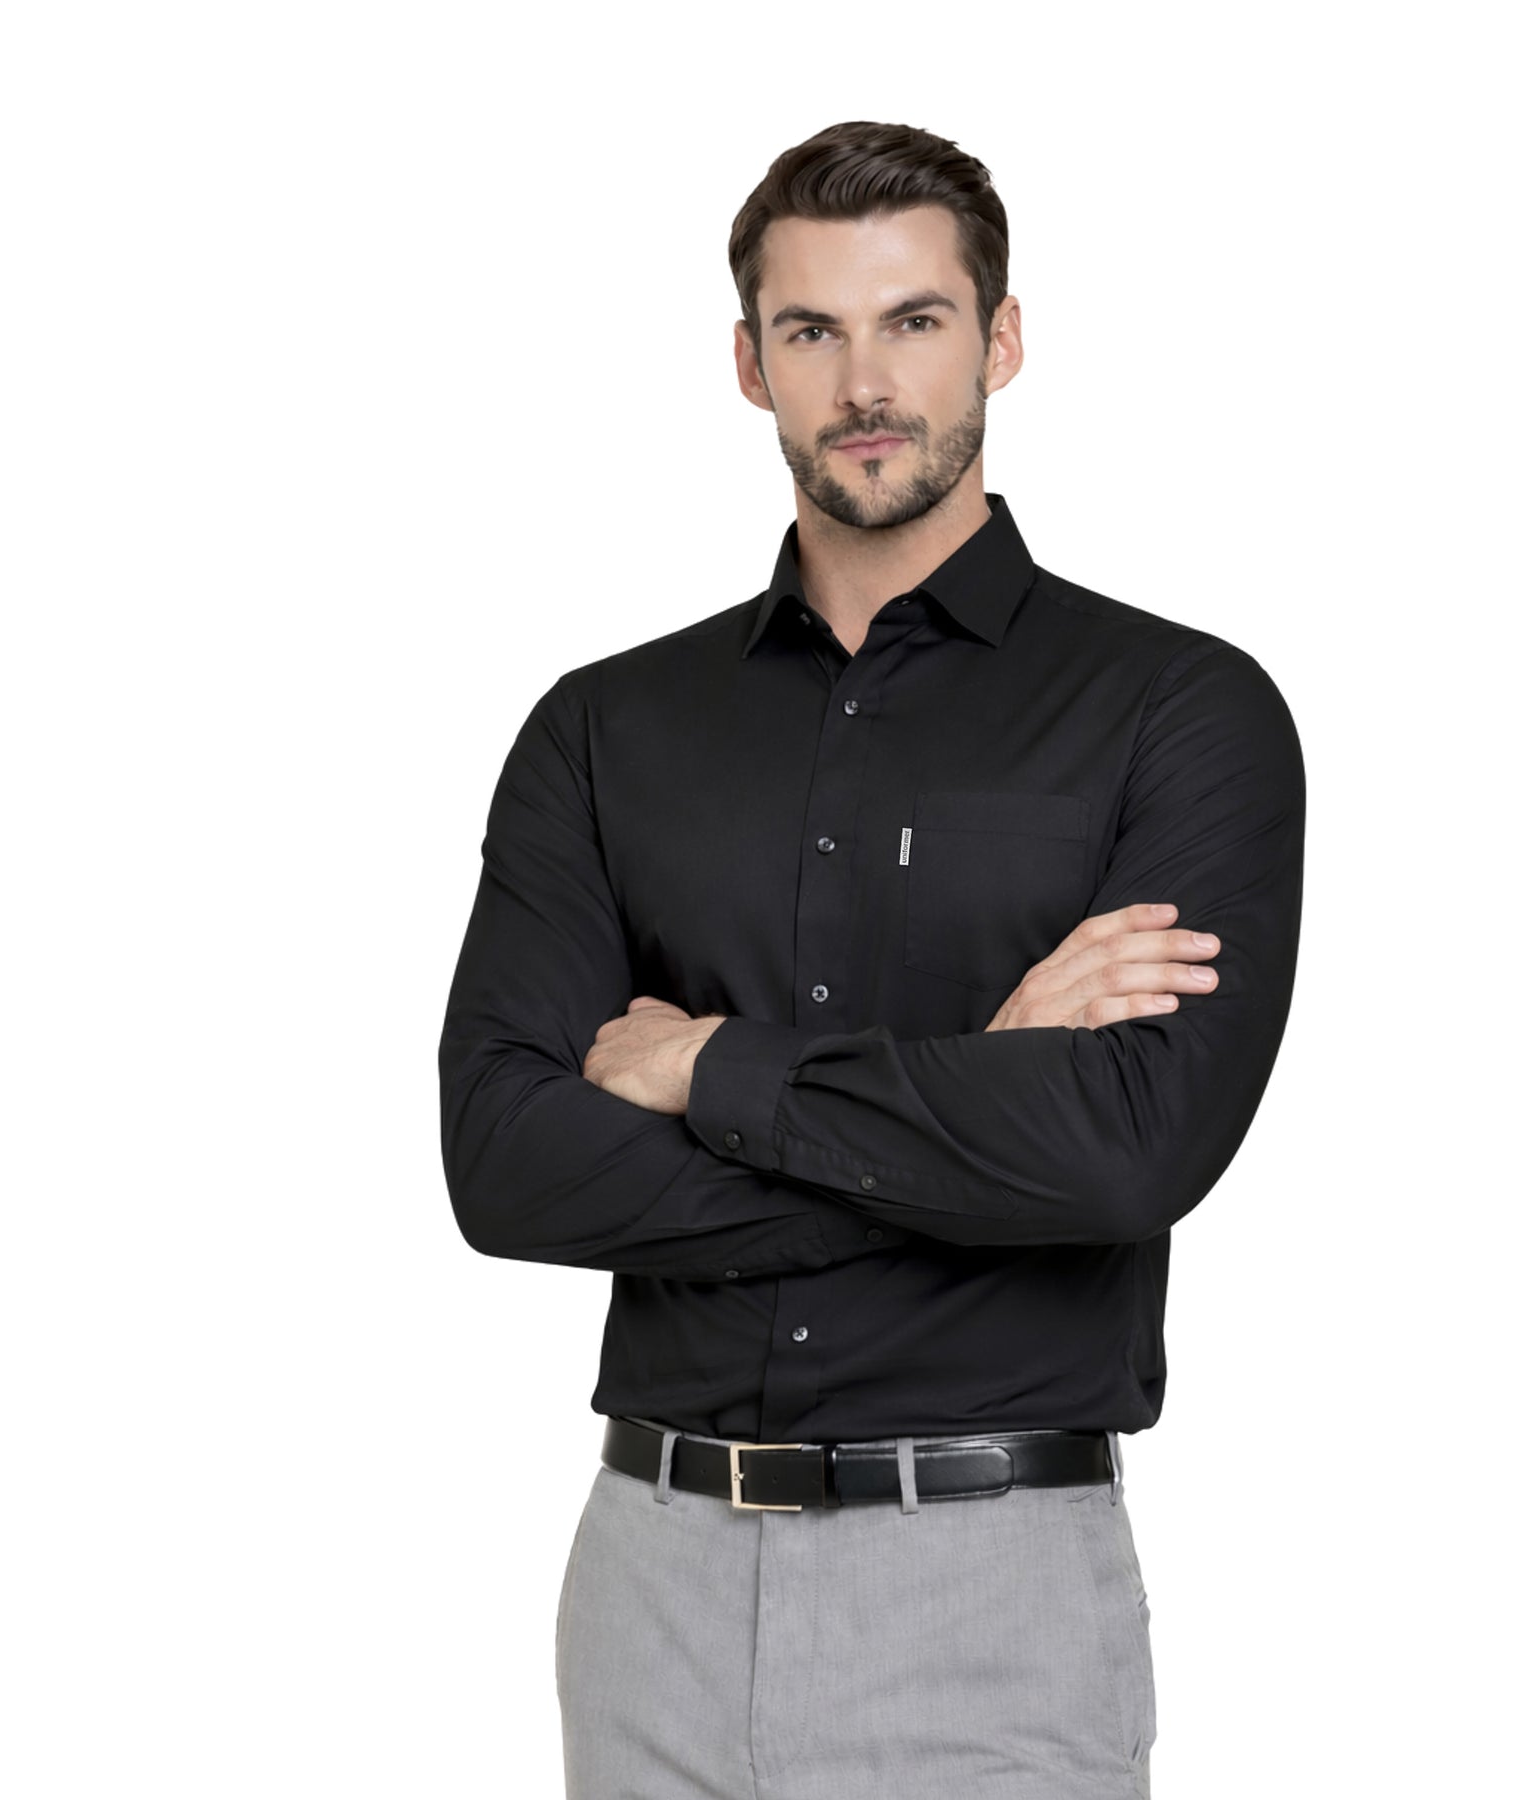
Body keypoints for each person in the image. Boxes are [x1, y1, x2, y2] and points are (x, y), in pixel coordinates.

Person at [438, 118, 1306, 1799]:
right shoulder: (604, 732)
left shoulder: (1180, 713)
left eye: (913, 320)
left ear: (1002, 338)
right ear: (747, 364)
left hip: (990, 1589)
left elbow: (1130, 1154)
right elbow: (508, 1165)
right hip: (653, 1582)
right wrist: (978, 1094)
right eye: (811, 329)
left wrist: (710, 1070)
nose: (864, 383)